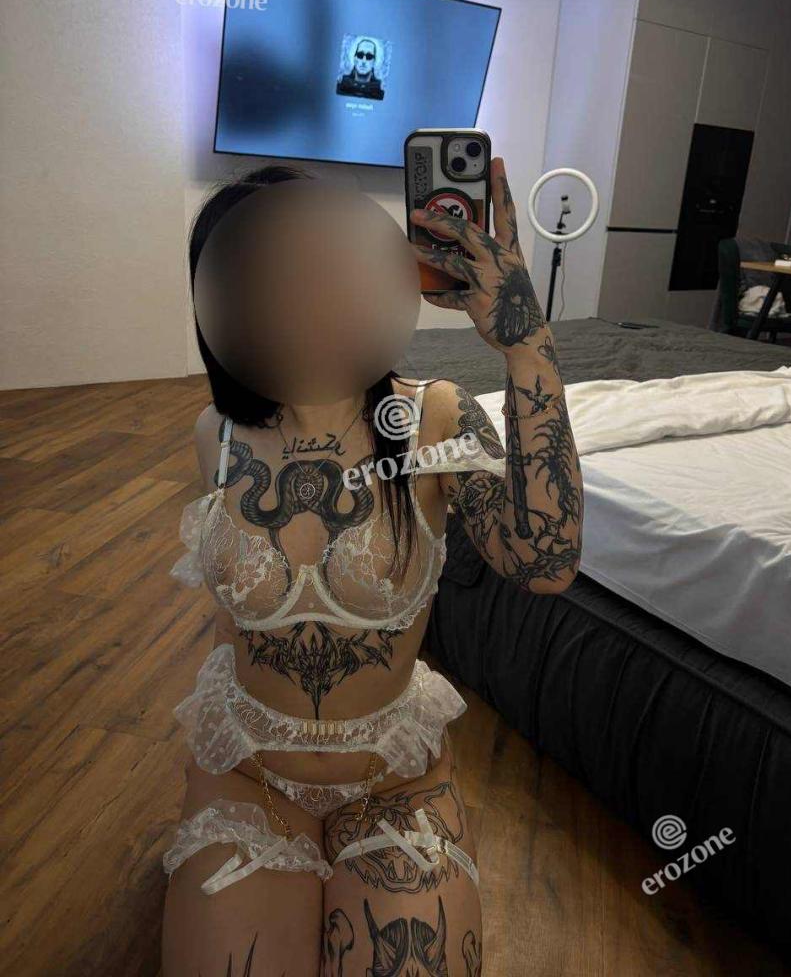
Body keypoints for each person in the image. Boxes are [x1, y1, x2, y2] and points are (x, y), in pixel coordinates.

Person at [160, 155, 584, 976]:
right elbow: (234, 620)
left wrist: (528, 345)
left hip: (395, 781)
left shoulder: (435, 418)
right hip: (247, 775)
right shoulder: (214, 435)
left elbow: (547, 560)